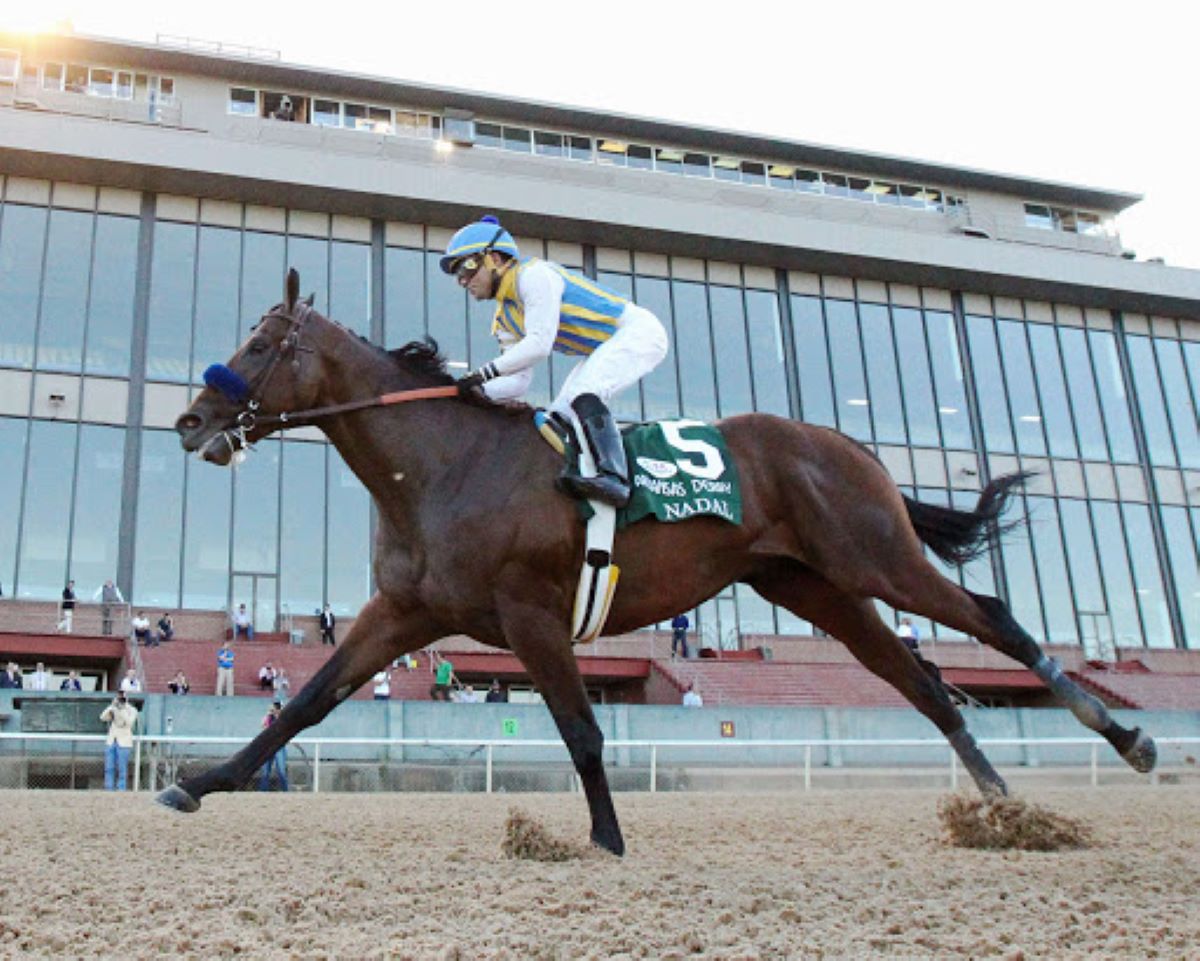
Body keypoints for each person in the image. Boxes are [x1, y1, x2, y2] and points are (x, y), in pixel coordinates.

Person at [440, 215, 669, 508]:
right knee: (558, 417)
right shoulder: (504, 318)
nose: (463, 281)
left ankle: (614, 477)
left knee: (584, 395)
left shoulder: (533, 276)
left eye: (467, 267)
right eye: (457, 274)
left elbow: (539, 344)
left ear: (495, 258)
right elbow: (518, 381)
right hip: (602, 348)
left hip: (637, 331)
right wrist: (472, 394)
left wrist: (480, 375)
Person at [100, 691, 138, 791]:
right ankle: (109, 788)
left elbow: (129, 723)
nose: (120, 699)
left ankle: (121, 789)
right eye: (119, 697)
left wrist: (122, 710)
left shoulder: (132, 710)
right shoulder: (114, 708)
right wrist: (111, 706)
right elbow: (103, 717)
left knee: (122, 768)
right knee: (109, 767)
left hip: (124, 742)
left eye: (122, 697)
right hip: (112, 740)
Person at [258, 701, 288, 792]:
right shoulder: (268, 718)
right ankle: (263, 791)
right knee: (265, 772)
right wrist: (268, 715)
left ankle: (285, 791)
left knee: (281, 771)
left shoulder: (284, 719)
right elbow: (262, 727)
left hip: (279, 747)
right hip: (267, 747)